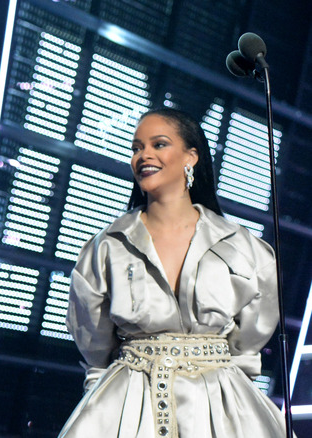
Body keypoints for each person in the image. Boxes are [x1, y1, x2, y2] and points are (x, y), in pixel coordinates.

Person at [59, 108, 292, 437]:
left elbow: (251, 337)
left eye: (159, 144)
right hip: (125, 406)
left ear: (191, 157)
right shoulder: (106, 246)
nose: (145, 155)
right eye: (137, 148)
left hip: (222, 407)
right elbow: (93, 340)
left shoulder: (242, 247)